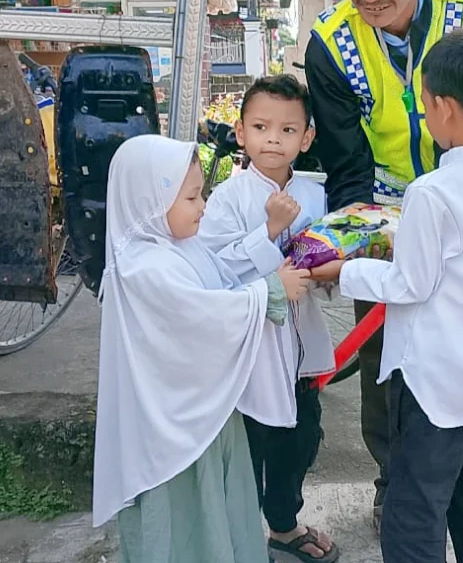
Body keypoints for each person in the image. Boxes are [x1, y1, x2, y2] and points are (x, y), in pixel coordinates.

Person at [304, 0, 463, 531]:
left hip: (462, 192)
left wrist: (449, 208)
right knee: (385, 347)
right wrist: (364, 244)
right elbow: (346, 163)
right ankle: (393, 477)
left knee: (462, 331)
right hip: (378, 204)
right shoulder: (330, 45)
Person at [314, 27, 463, 562]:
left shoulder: (432, 192)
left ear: (446, 108)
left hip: (433, 383)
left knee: (416, 508)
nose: (422, 112)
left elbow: (411, 284)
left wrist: (345, 270)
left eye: (422, 102)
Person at [92, 134, 310, 562]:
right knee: (186, 520)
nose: (203, 205)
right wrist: (268, 292)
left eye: (202, 193)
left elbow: (222, 270)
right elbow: (203, 316)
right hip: (171, 433)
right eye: (191, 196)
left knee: (218, 509)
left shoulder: (174, 248)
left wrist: (267, 264)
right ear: (150, 201)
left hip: (200, 415)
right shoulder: (144, 267)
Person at [198, 75, 339, 563]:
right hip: (252, 350)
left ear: (307, 138)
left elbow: (327, 257)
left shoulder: (316, 196)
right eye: (260, 126)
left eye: (286, 130)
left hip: (299, 349)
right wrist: (271, 229)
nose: (272, 139)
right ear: (240, 133)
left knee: (300, 436)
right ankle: (236, 531)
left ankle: (283, 523)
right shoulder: (228, 199)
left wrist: (328, 274)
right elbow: (215, 267)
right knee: (251, 440)